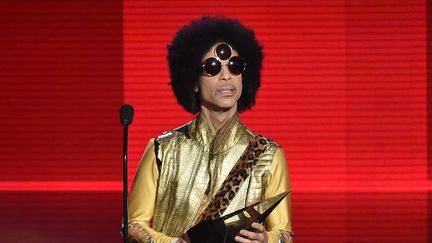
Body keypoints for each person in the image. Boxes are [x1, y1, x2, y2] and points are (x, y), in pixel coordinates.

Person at [126, 16, 293, 243]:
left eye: (235, 66)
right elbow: (133, 225)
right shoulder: (161, 150)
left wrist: (267, 240)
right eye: (212, 68)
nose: (226, 76)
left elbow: (285, 234)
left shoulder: (268, 154)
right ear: (193, 81)